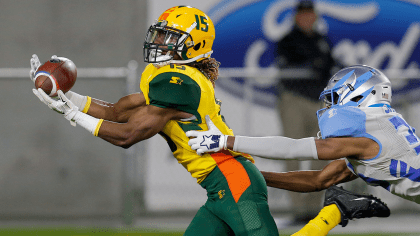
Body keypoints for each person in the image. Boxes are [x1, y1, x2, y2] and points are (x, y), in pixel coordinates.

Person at [30, 6, 388, 236]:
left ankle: (334, 210)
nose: (159, 42)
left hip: (234, 182)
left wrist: (70, 114)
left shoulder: (179, 82)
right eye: (160, 34)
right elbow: (116, 111)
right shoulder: (167, 75)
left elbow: (128, 136)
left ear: (192, 45)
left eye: (170, 38)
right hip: (219, 189)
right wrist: (65, 96)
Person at [187, 64, 420, 207]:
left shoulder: (367, 133)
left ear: (360, 97)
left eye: (335, 99)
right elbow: (318, 181)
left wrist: (225, 140)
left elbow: (293, 148)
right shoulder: (376, 129)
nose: (331, 107)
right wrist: (251, 174)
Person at [274, 0, 341, 222]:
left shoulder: (322, 40)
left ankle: (312, 209)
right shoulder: (287, 40)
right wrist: (316, 64)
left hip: (319, 101)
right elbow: (293, 65)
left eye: (310, 13)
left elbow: (329, 65)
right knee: (292, 152)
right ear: (296, 16)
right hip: (294, 99)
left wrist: (321, 65)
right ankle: (297, 210)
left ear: (315, 16)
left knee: (322, 154)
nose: (306, 18)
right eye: (302, 14)